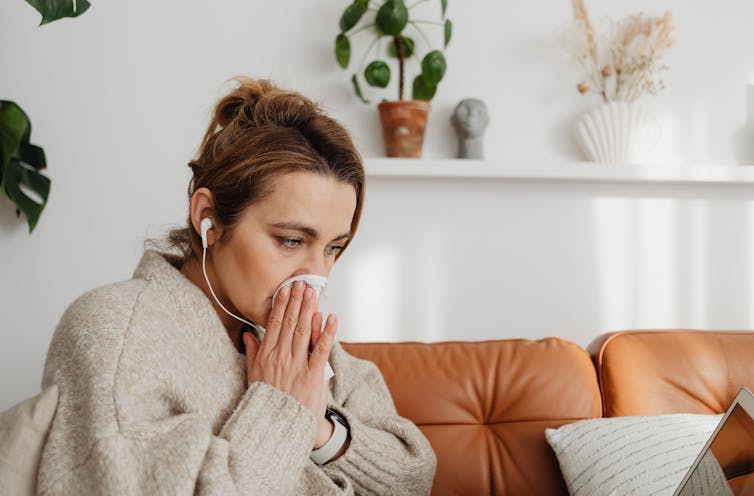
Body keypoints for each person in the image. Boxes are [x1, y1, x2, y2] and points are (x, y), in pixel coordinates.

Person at [37, 78, 437, 495]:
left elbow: (413, 474)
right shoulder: (113, 334)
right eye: (291, 241)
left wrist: (320, 428)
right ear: (207, 218)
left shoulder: (296, 343)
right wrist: (281, 408)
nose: (315, 276)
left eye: (334, 248)